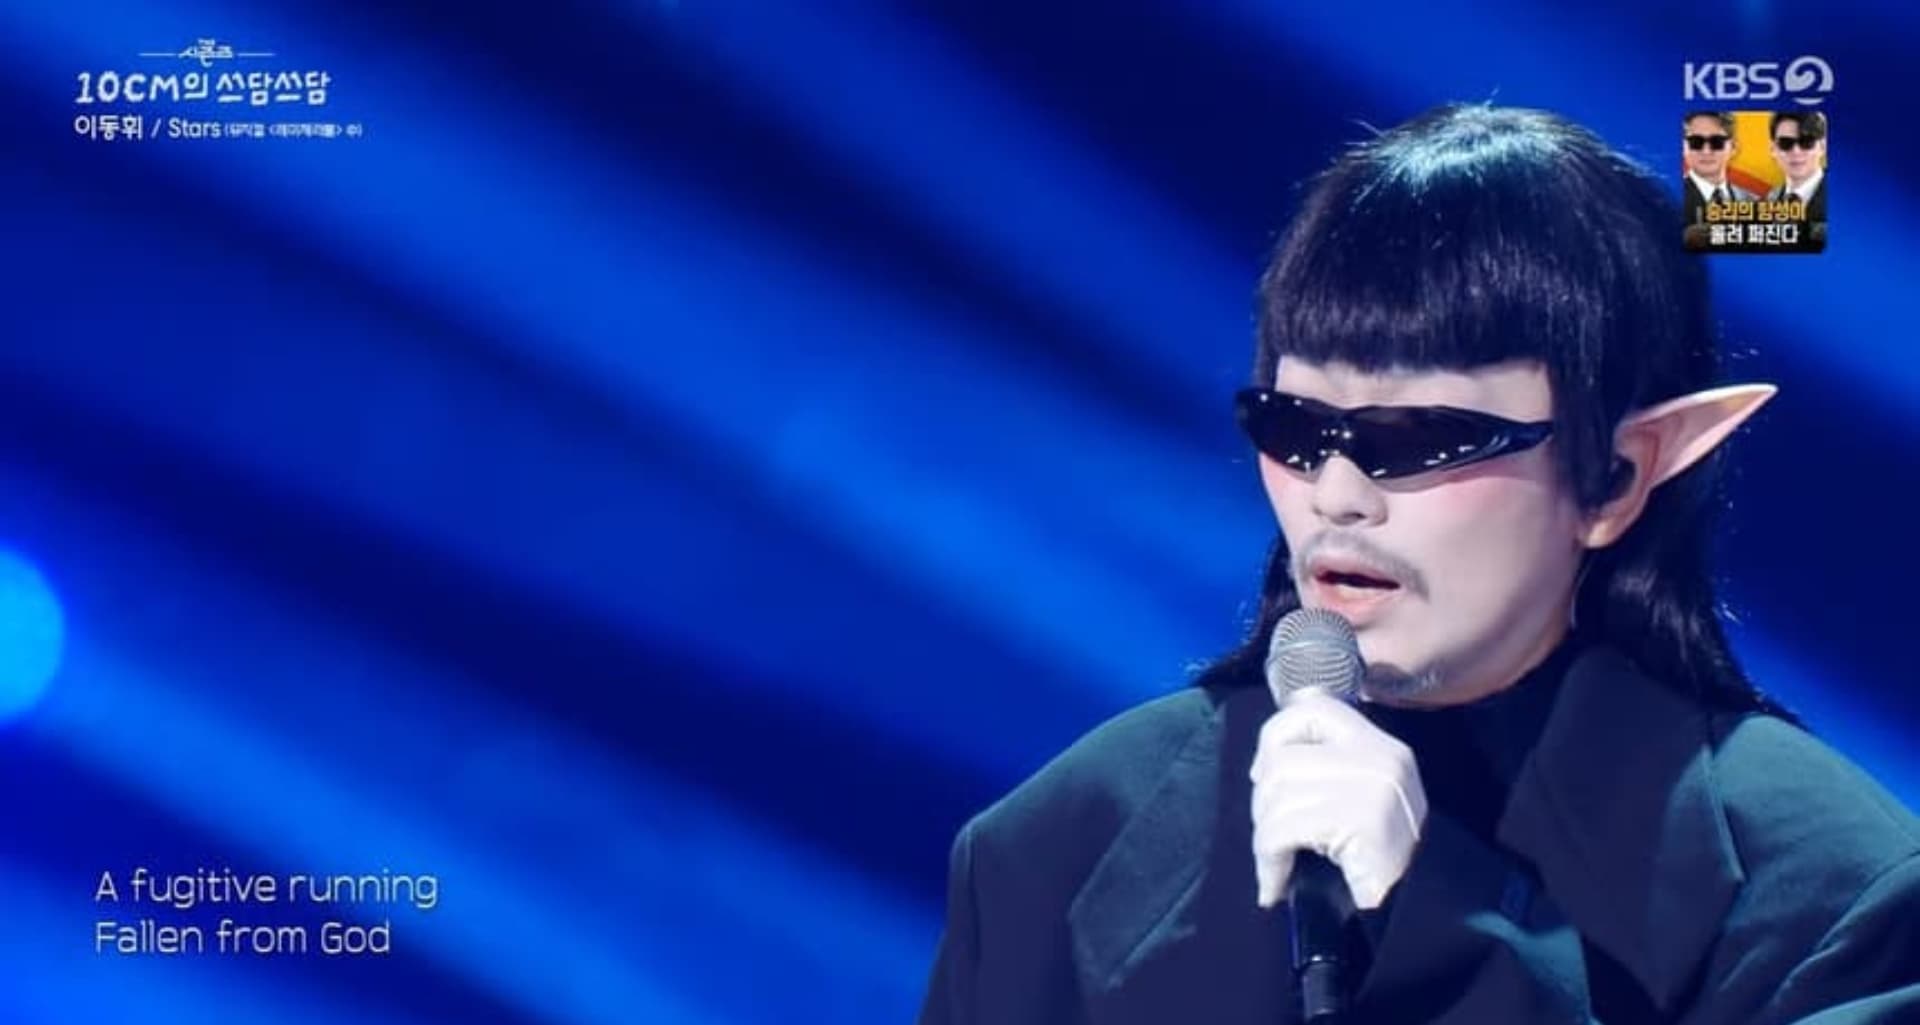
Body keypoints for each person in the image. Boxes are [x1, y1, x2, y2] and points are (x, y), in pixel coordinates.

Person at [915, 104, 1918, 1025]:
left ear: (1615, 476)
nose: (1337, 494)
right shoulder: (1061, 844)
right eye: (1297, 428)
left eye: (1421, 437)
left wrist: (1438, 924)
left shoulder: (1832, 899)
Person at [1680, 110, 1755, 250]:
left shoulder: (1754, 203)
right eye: (1696, 142)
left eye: (1717, 142)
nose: (1706, 151)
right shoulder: (1668, 199)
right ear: (1683, 148)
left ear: (1734, 148)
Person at [1765, 111, 1829, 252]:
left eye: (1806, 142)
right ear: (1773, 149)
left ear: (1822, 147)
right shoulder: (1765, 203)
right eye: (1785, 143)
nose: (1796, 151)